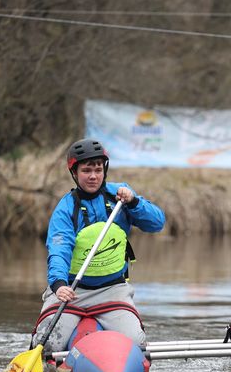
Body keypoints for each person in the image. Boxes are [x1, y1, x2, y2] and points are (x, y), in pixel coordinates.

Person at [32, 138, 165, 352]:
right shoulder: (66, 208)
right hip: (73, 291)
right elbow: (59, 249)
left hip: (113, 289)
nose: (93, 176)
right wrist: (58, 285)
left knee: (137, 344)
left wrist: (134, 203)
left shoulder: (120, 196)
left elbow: (157, 223)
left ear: (105, 170)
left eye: (98, 169)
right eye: (86, 170)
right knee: (46, 346)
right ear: (74, 173)